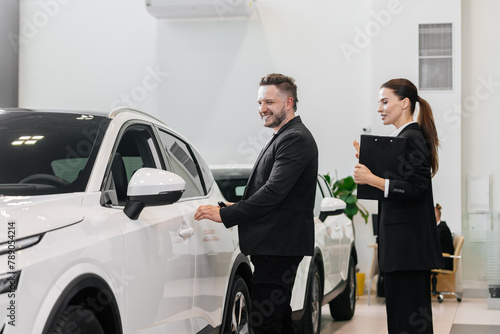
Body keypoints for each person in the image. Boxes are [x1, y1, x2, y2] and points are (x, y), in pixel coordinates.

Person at [194, 73, 318, 334]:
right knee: (279, 319)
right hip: (276, 247)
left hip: (278, 248)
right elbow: (271, 191)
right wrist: (234, 205)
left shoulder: (294, 138)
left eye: (269, 102)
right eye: (259, 103)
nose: (262, 109)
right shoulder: (284, 135)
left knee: (263, 323)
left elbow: (274, 192)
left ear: (288, 102)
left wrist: (227, 215)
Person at [353, 78, 444, 334]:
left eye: (385, 101)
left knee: (407, 322)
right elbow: (401, 182)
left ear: (404, 103)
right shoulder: (403, 138)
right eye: (379, 103)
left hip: (408, 251)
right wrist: (369, 164)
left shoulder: (411, 137)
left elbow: (416, 188)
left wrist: (372, 178)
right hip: (403, 251)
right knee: (402, 320)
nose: (380, 108)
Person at [435, 203, 455, 270]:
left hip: (444, 261)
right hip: (442, 259)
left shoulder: (442, 228)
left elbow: (433, 242)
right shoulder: (440, 227)